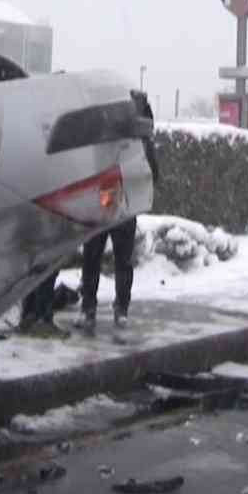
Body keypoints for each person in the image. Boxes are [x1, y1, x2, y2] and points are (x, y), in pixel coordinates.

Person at [77, 92, 160, 334]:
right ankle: (114, 309)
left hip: (113, 198)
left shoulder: (113, 137)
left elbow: (151, 168)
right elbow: (153, 170)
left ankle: (95, 309)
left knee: (98, 257)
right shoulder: (134, 139)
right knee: (114, 259)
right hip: (118, 198)